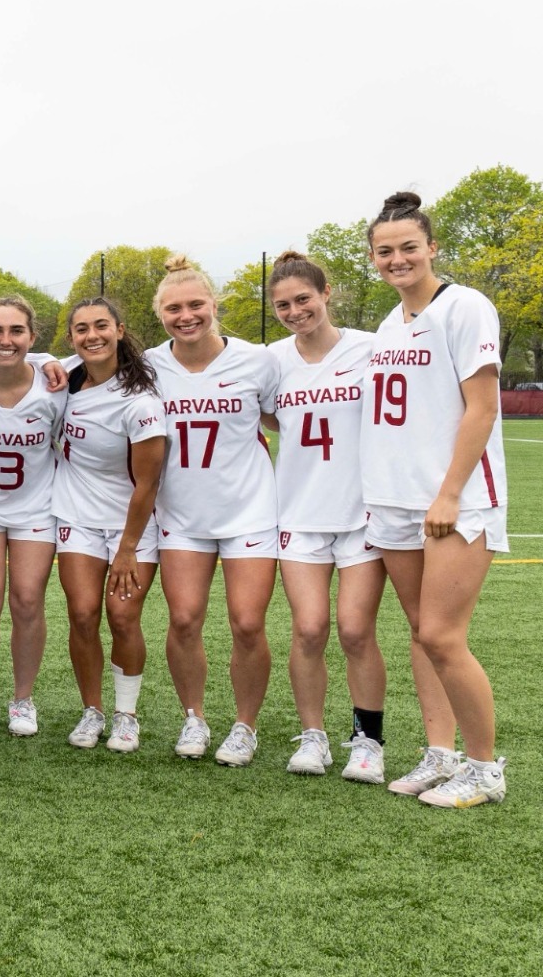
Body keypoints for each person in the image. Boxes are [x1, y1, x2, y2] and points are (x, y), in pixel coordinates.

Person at [360, 192, 509, 808]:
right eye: (385, 251)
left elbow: (483, 406)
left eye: (408, 248)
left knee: (445, 636)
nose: (398, 259)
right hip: (395, 500)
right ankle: (441, 755)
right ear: (373, 258)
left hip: (456, 498)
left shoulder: (465, 306)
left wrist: (449, 493)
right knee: (422, 633)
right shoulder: (388, 324)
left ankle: (484, 769)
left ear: (432, 248)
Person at [148, 255, 281, 765]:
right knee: (183, 620)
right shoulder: (149, 364)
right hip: (180, 513)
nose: (187, 315)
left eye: (196, 304)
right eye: (174, 308)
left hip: (247, 509)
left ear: (213, 305)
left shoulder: (257, 360)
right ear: (161, 313)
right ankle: (194, 717)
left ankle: (245, 726)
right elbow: (79, 363)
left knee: (248, 623)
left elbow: (278, 416)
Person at [261, 252, 388, 782]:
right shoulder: (270, 359)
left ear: (326, 293)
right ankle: (313, 736)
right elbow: (264, 412)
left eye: (303, 299)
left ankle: (367, 740)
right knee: (309, 629)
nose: (294, 311)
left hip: (360, 512)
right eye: (283, 305)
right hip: (298, 511)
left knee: (355, 630)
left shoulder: (369, 347)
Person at [52, 298, 166, 754]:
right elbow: (32, 361)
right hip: (76, 516)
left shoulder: (139, 401)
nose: (91, 336)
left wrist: (127, 548)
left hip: (130, 526)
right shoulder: (65, 380)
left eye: (101, 326)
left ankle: (126, 714)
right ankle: (92, 710)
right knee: (81, 614)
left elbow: (148, 483)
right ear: (71, 338)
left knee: (122, 617)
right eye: (81, 329)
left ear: (120, 330)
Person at [0, 297, 66, 737]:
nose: (6, 341)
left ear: (32, 336)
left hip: (36, 508)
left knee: (26, 601)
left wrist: (48, 361)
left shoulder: (55, 389)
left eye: (17, 331)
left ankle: (23, 699)